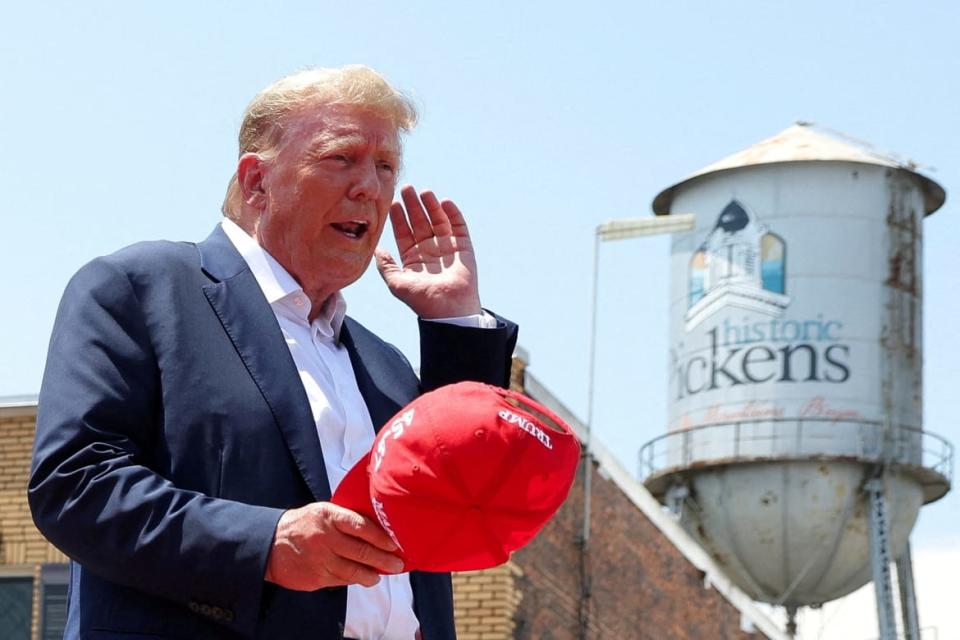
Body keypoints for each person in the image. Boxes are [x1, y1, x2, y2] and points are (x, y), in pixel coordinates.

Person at [28, 65, 518, 640]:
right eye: (342, 158)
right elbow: (75, 483)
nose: (370, 186)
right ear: (258, 181)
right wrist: (266, 545)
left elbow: (466, 504)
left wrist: (454, 320)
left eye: (386, 167)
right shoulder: (142, 289)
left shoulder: (385, 366)